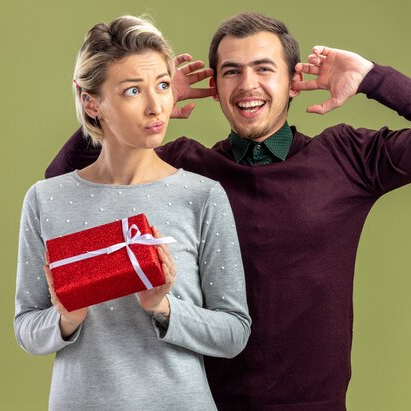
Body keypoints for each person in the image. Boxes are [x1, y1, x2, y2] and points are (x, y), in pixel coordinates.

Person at [45, 12, 411, 411]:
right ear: (216, 89)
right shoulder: (182, 168)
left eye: (264, 68)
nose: (247, 85)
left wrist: (370, 77)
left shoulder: (347, 158)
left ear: (292, 81)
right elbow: (61, 189)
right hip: (196, 397)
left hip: (314, 402)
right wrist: (148, 103)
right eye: (231, 72)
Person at [14, 15, 250, 410]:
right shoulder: (45, 199)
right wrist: (66, 319)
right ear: (91, 101)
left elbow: (233, 331)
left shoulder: (202, 196)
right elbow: (25, 328)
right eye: (131, 91)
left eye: (162, 85)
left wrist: (163, 307)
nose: (156, 106)